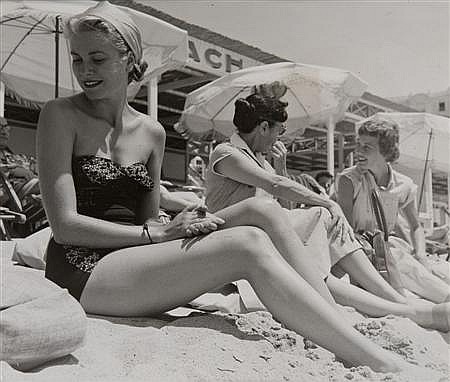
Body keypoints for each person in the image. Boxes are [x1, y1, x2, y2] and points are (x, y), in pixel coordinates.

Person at [35, 1, 436, 373]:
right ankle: (379, 363)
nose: (85, 69)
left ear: (129, 61)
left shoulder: (152, 132)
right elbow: (66, 226)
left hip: (135, 257)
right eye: (77, 59)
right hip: (82, 270)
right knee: (246, 243)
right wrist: (154, 232)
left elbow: (149, 213)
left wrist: (175, 224)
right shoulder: (60, 116)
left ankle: (329, 316)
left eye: (97, 58)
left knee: (261, 211)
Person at [205, 92, 449, 330]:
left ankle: (398, 303)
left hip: (261, 236)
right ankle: (404, 308)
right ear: (264, 128)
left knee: (323, 228)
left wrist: (281, 167)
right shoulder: (227, 153)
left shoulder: (262, 161)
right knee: (321, 220)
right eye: (280, 130)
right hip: (231, 240)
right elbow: (275, 187)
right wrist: (327, 202)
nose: (280, 138)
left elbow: (281, 209)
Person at [335, 118, 450, 304]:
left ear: (385, 152)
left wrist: (421, 254)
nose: (358, 152)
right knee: (421, 278)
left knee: (430, 272)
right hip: (359, 251)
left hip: (389, 247)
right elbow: (347, 231)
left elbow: (415, 227)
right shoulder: (349, 180)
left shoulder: (403, 185)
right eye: (358, 145)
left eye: (367, 147)